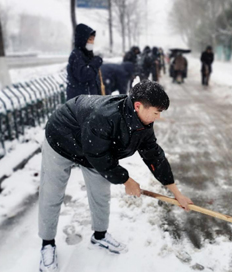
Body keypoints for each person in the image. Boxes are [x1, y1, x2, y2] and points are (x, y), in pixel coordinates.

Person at [38, 80, 194, 272]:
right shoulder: (105, 116)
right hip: (61, 139)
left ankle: (100, 236)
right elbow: (98, 155)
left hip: (93, 148)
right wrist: (126, 180)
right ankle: (47, 244)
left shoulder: (143, 123)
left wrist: (176, 192)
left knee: (101, 193)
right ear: (138, 106)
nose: (158, 117)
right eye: (156, 112)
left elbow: (154, 155)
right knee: (52, 192)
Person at [66, 23, 103, 101]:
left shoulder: (87, 54)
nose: (92, 42)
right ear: (82, 39)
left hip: (88, 101)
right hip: (79, 103)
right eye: (90, 39)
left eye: (93, 39)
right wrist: (95, 62)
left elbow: (93, 79)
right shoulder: (76, 55)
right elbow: (84, 75)